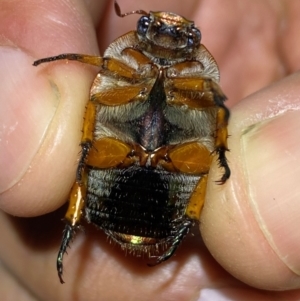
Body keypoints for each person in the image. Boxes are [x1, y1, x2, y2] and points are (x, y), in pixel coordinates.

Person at [1, 0, 300, 300]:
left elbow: (217, 113)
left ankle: (187, 216)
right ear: (139, 32)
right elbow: (97, 92)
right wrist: (70, 58)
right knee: (84, 159)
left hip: (169, 176)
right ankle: (73, 221)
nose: (167, 37)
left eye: (184, 36)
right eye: (150, 27)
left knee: (202, 152)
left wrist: (221, 148)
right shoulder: (122, 68)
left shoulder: (198, 86)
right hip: (117, 158)